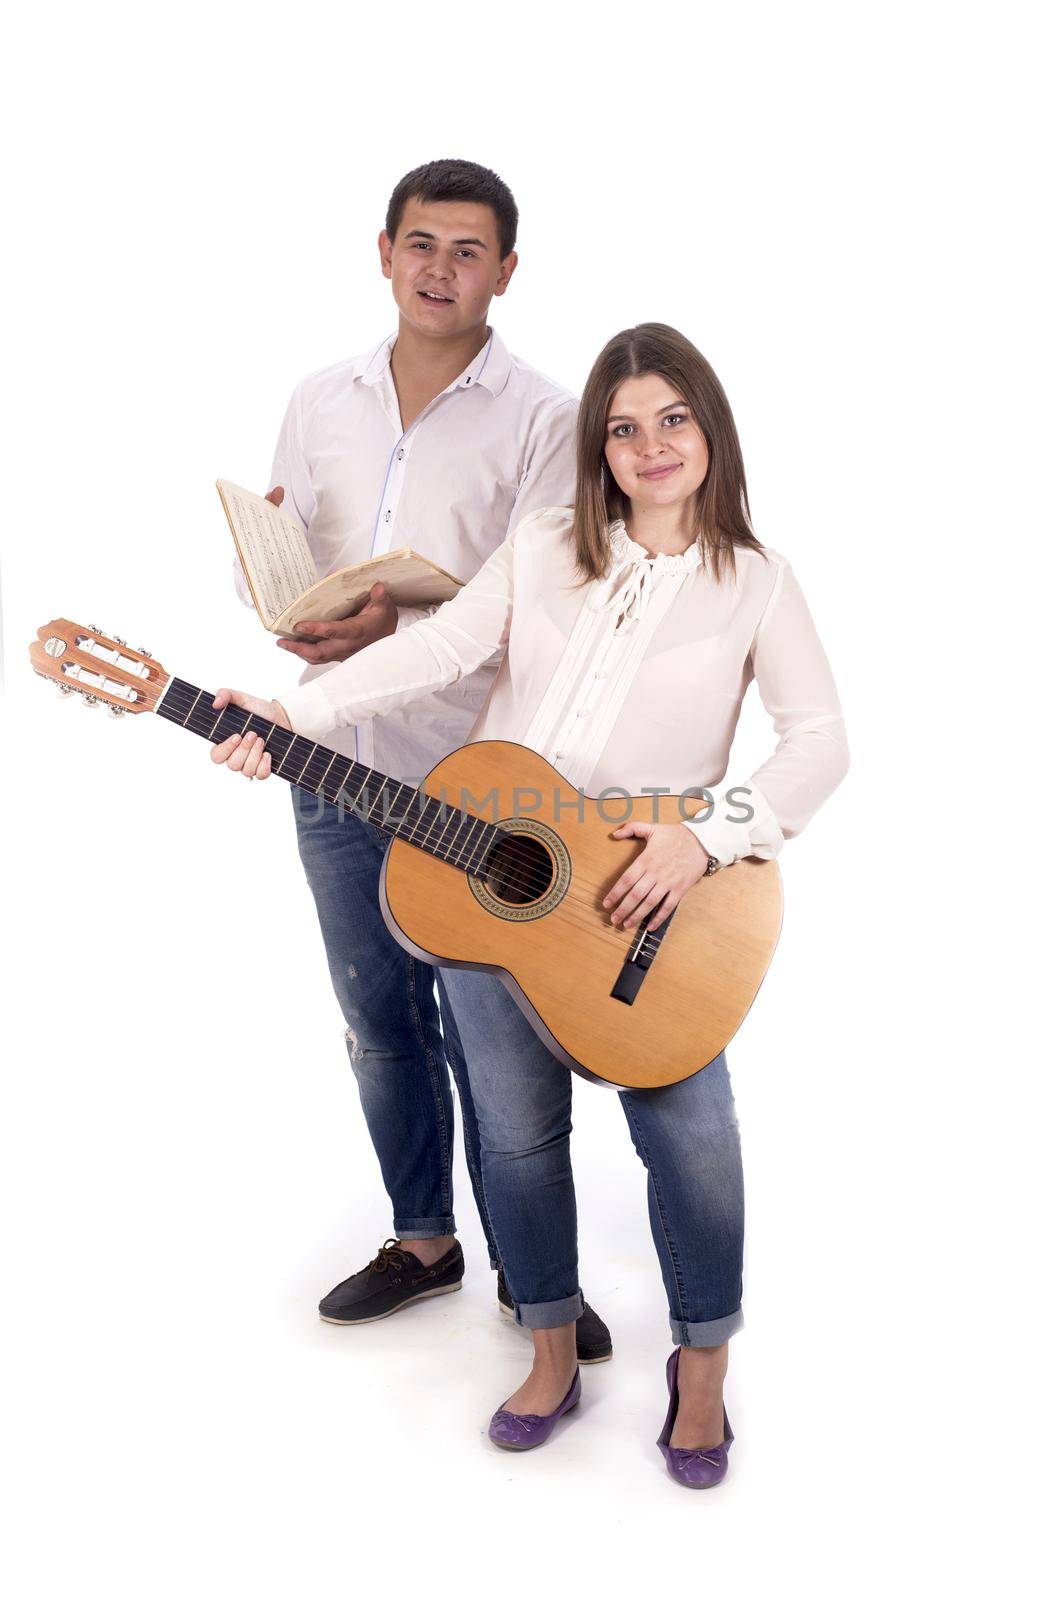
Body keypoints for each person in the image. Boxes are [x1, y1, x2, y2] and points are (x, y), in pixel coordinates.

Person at [213, 323, 849, 1487]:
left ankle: (698, 1373)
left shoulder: (755, 578)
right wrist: (294, 716)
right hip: (488, 888)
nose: (649, 446)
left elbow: (819, 742)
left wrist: (703, 835)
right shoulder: (545, 544)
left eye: (671, 419)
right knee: (512, 1135)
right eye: (621, 427)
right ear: (598, 446)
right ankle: (549, 1348)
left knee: (693, 1142)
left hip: (651, 903)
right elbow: (443, 650)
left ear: (708, 426)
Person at [235, 156, 610, 1359]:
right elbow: (297, 558)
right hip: (333, 752)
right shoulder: (319, 397)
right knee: (375, 1013)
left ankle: (533, 1274)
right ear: (383, 251)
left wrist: (390, 625)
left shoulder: (549, 418)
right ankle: (423, 1240)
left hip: (474, 772)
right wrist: (290, 610)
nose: (438, 269)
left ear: (505, 271)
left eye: (466, 251)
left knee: (492, 1023)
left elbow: (544, 605)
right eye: (419, 244)